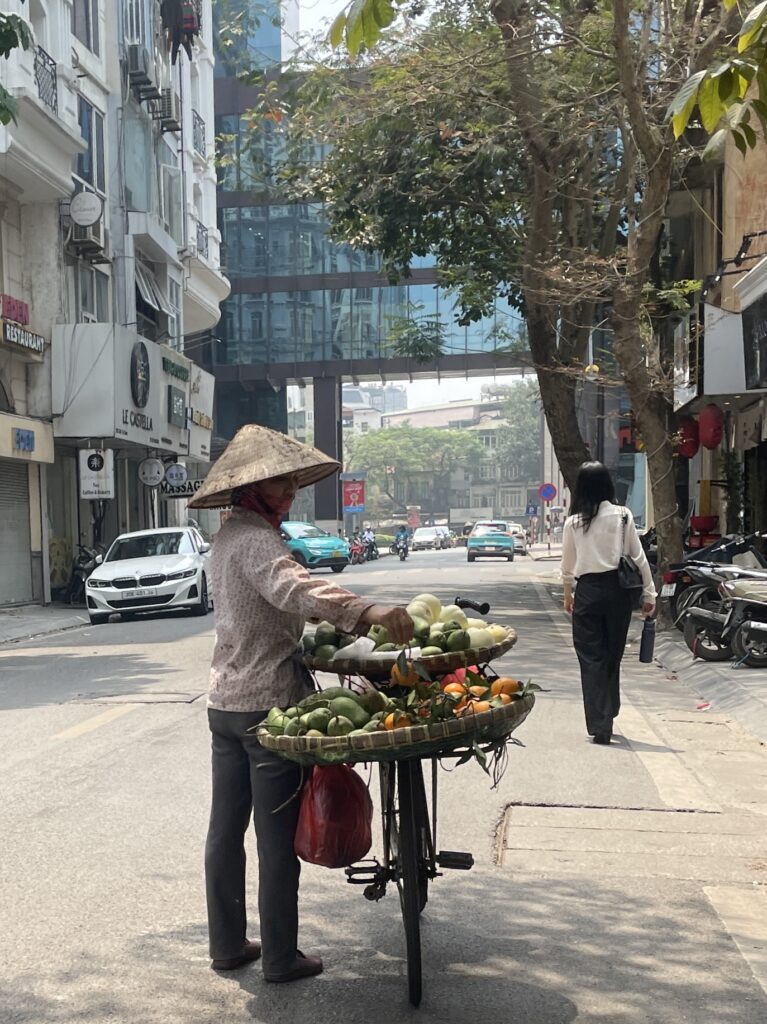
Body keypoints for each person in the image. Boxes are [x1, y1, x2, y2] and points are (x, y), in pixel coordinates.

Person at [188, 424, 413, 983]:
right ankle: (282, 957)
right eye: (279, 487)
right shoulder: (257, 541)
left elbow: (274, 600)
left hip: (225, 702)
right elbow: (293, 587)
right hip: (266, 705)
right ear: (251, 491)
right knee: (275, 837)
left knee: (224, 830)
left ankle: (227, 944)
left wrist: (315, 616)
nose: (289, 496)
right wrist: (365, 611)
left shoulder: (227, 538)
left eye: (292, 486)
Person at [560, 461, 656, 745]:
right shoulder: (623, 516)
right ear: (607, 485)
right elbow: (638, 558)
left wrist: (568, 594)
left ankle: (601, 721)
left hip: (588, 592)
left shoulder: (573, 522)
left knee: (591, 658)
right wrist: (649, 594)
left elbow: (568, 565)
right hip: (618, 593)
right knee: (612, 654)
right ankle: (609, 711)